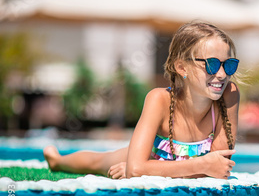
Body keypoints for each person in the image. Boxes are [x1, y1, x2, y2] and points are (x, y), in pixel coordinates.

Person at [43, 21, 240, 180]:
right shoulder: (160, 99)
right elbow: (137, 167)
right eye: (212, 65)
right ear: (182, 68)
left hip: (152, 164)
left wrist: (148, 170)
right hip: (148, 154)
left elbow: (219, 169)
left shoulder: (229, 96)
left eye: (229, 65)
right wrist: (199, 165)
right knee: (99, 162)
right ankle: (57, 161)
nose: (222, 74)